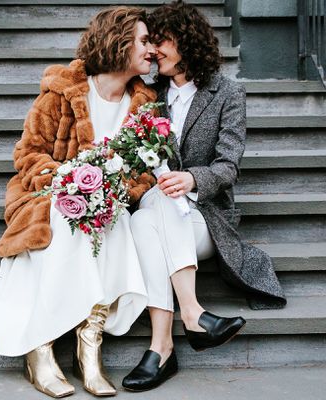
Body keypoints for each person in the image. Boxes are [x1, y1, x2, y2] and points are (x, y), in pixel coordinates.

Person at [0, 6, 157, 398]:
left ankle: (89, 350)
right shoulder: (64, 89)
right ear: (119, 42)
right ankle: (41, 349)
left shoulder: (145, 105)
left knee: (112, 216)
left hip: (106, 203)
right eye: (144, 40)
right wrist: (67, 182)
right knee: (69, 214)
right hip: (46, 196)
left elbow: (144, 171)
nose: (152, 49)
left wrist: (112, 191)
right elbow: (29, 151)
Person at [122, 0, 287, 392]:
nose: (153, 50)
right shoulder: (147, 94)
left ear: (186, 42)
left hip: (204, 218)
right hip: (157, 204)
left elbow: (228, 165)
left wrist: (192, 180)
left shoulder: (227, 92)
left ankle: (162, 348)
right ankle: (188, 320)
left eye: (161, 41)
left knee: (149, 219)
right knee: (149, 213)